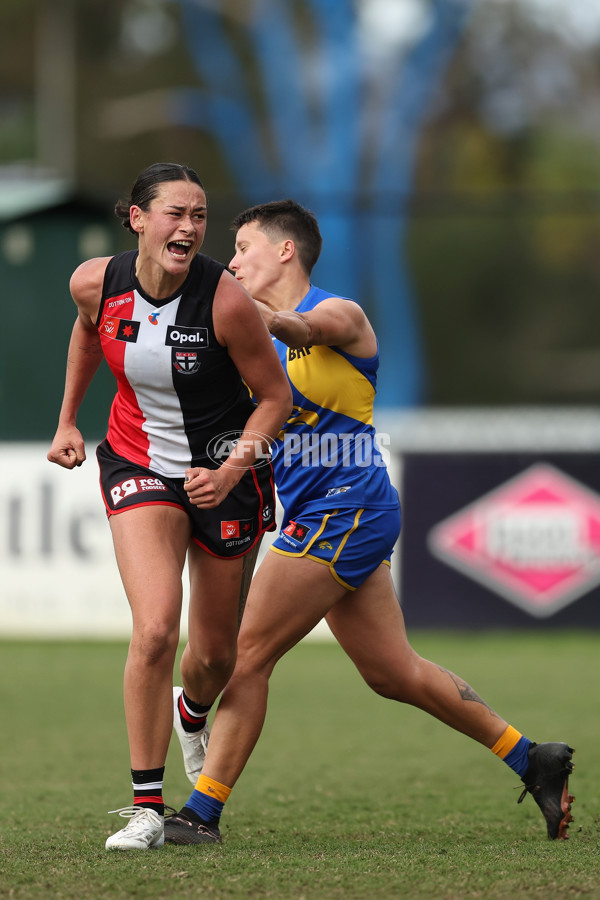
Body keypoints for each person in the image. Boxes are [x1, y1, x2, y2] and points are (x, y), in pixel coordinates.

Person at [165, 199, 576, 847]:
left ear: (285, 251)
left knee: (245, 659)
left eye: (243, 246)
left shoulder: (340, 314)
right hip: (329, 515)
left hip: (345, 508)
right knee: (393, 673)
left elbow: (303, 330)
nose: (235, 258)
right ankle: (531, 757)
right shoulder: (257, 342)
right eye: (231, 252)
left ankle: (200, 815)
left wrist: (230, 295)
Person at [47, 165, 292, 851]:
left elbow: (276, 398)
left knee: (214, 657)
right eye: (174, 214)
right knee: (156, 629)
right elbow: (88, 334)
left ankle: (193, 710)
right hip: (136, 461)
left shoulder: (227, 301)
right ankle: (146, 807)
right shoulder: (94, 281)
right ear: (136, 218)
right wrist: (68, 421)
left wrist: (233, 466)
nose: (187, 228)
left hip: (226, 477)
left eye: (200, 216)